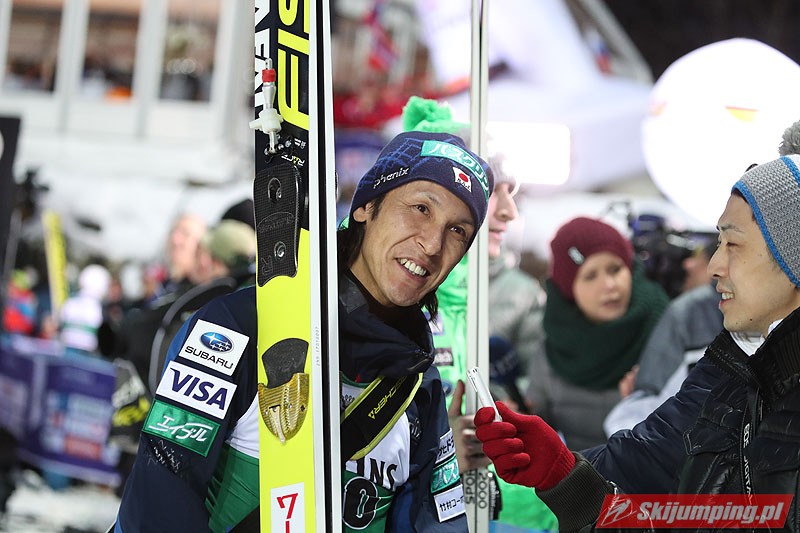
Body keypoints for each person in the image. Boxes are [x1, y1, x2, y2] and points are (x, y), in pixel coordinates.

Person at [113, 130, 494, 532]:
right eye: (421, 208)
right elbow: (157, 502)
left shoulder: (419, 385)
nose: (433, 244)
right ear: (366, 207)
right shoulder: (237, 327)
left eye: (458, 231)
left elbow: (436, 524)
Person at [474, 154, 800, 531]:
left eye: (734, 244)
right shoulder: (734, 366)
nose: (713, 266)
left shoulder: (699, 337)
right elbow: (655, 462)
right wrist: (561, 471)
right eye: (718, 242)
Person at [524, 216, 669, 450]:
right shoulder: (553, 348)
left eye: (616, 269)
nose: (609, 285)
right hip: (579, 472)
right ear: (569, 289)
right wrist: (519, 419)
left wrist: (645, 406)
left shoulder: (666, 329)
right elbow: (537, 429)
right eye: (590, 276)